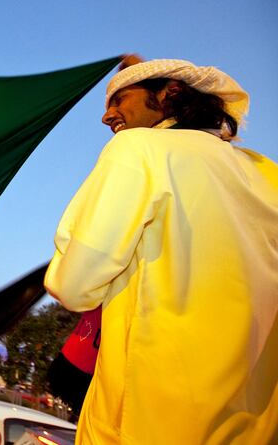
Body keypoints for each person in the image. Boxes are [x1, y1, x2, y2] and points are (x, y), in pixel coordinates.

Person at [44, 56, 278, 444]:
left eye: (119, 99)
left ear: (171, 93)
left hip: (145, 424)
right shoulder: (265, 174)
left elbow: (74, 284)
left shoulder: (139, 148)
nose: (107, 116)